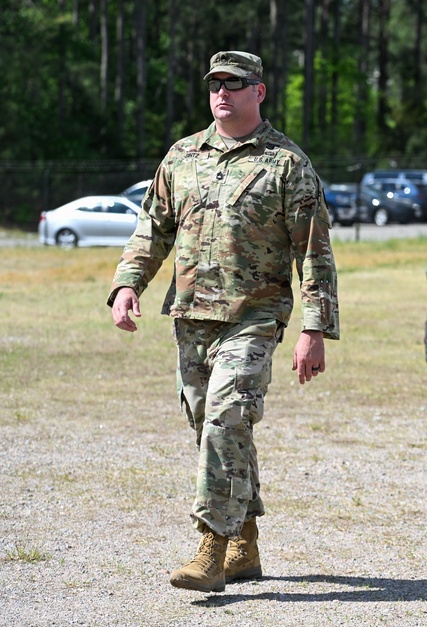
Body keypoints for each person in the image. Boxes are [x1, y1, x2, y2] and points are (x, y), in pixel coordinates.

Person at [108, 51, 339, 593]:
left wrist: (314, 328)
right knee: (211, 427)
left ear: (259, 92)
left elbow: (315, 252)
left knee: (226, 419)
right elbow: (152, 228)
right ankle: (246, 543)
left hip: (255, 316)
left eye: (234, 85)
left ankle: (210, 548)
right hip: (192, 317)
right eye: (215, 84)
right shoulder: (182, 156)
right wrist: (126, 284)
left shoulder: (287, 163)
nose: (222, 94)